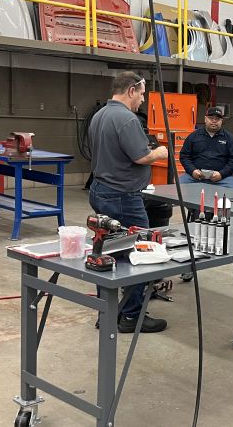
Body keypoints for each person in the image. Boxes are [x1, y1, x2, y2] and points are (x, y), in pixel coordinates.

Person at [88, 71, 169, 334]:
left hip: (101, 190)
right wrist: (159, 151)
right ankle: (132, 316)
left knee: (107, 253)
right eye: (142, 94)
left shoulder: (99, 115)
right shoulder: (126, 118)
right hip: (123, 197)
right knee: (140, 252)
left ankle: (107, 312)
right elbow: (141, 156)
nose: (143, 100)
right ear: (131, 90)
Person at [178, 107, 233, 189]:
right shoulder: (193, 136)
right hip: (194, 177)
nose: (214, 121)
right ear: (205, 119)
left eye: (217, 119)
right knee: (178, 187)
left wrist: (221, 174)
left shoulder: (229, 138)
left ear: (221, 121)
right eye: (211, 118)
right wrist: (192, 171)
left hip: (222, 179)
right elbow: (184, 156)